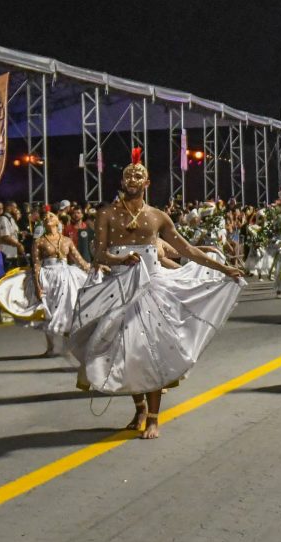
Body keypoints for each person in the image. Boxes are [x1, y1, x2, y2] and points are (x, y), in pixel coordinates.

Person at [71, 150, 245, 439]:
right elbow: (98, 252)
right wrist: (119, 260)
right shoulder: (107, 214)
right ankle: (139, 407)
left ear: (147, 182)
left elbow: (188, 250)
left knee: (150, 353)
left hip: (153, 292)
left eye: (138, 175)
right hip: (118, 290)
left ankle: (153, 418)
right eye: (127, 174)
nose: (132, 178)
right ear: (122, 181)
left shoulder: (158, 217)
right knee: (123, 355)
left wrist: (224, 267)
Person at [31, 210, 99, 356]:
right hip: (48, 276)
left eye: (51, 216)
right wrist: (37, 286)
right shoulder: (39, 241)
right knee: (49, 310)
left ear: (58, 222)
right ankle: (51, 347)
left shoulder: (67, 240)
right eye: (45, 217)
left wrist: (95, 268)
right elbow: (36, 265)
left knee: (69, 308)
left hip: (67, 277)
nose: (47, 218)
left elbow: (80, 260)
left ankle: (71, 345)